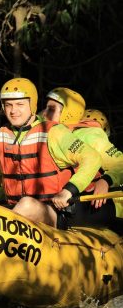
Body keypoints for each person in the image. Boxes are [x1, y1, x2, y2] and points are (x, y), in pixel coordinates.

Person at [0, 78, 102, 229]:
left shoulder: (53, 132)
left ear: (32, 105)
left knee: (26, 205)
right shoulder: (1, 136)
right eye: (8, 105)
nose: (13, 111)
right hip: (15, 211)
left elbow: (92, 158)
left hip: (53, 213)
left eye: (20, 104)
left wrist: (68, 191)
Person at [44, 88, 123, 229]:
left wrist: (106, 181)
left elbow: (120, 163)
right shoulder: (47, 134)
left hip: (95, 205)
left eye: (50, 109)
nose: (44, 114)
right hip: (65, 202)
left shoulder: (90, 135)